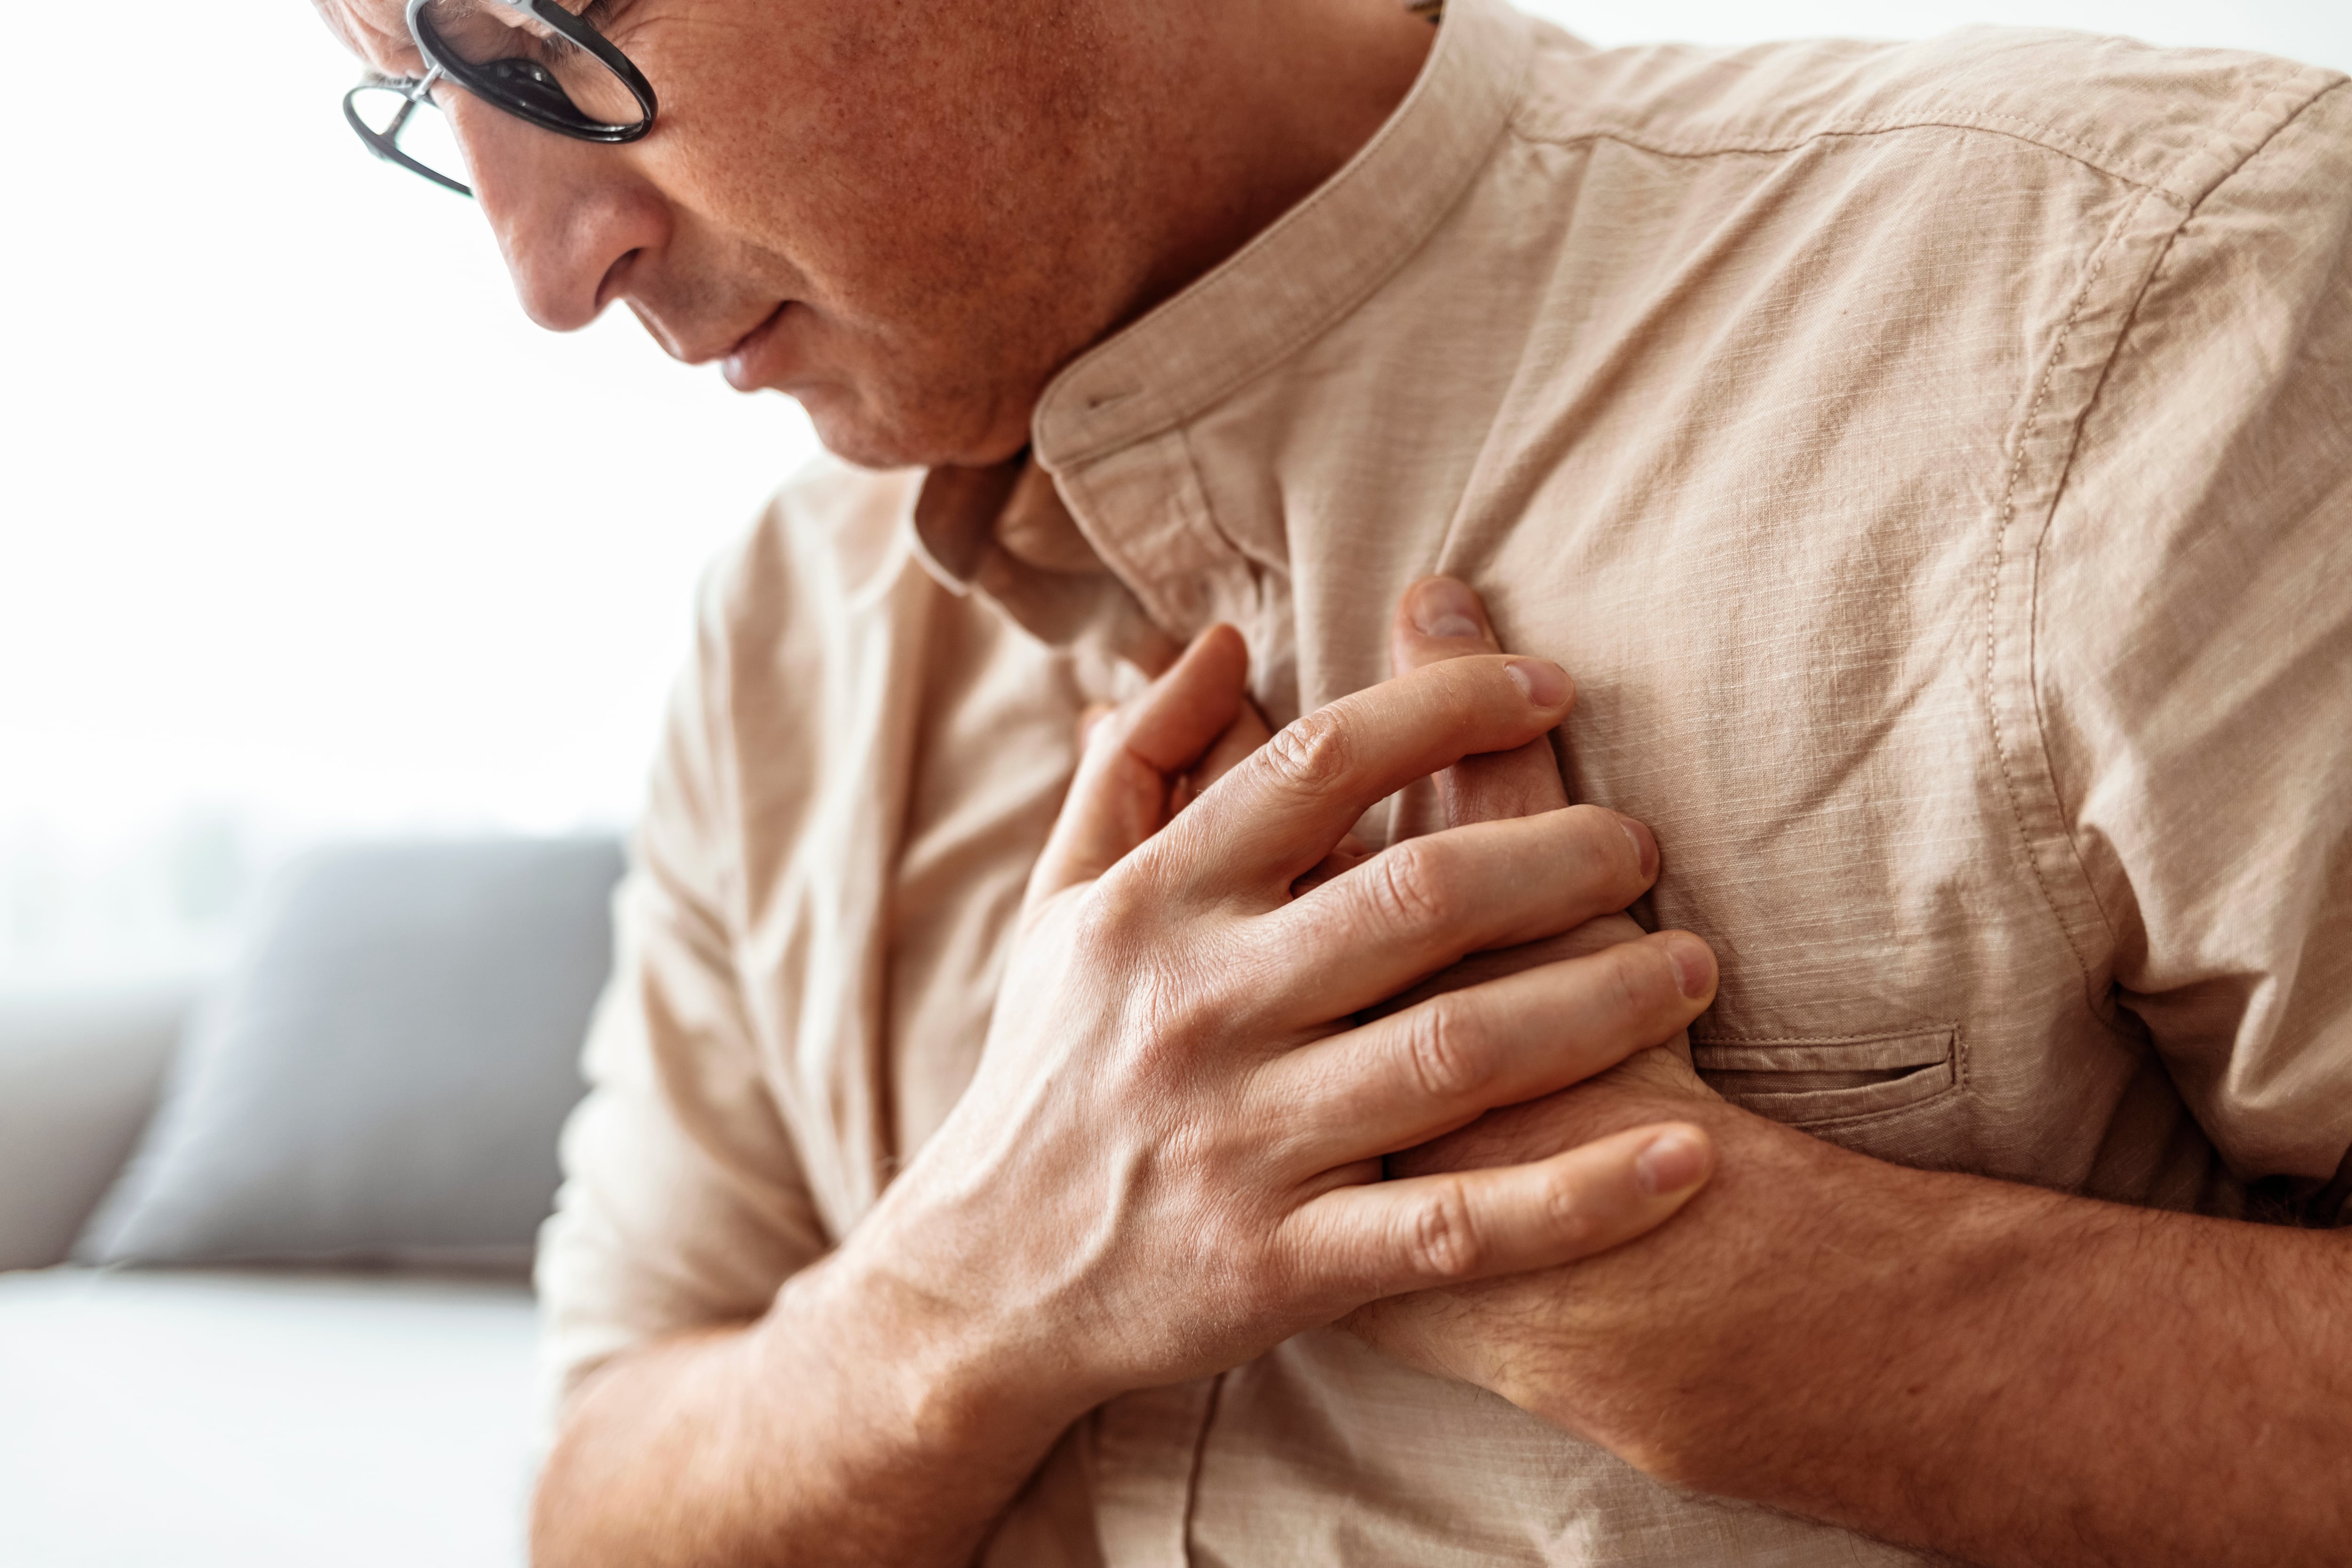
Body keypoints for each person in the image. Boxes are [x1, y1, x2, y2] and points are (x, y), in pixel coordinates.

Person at [313, 0, 2352, 1562]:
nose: (543, 273)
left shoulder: (2166, 299)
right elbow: (602, 1498)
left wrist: (1810, 1325)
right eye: (419, 94)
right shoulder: (785, 622)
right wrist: (973, 1287)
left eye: (554, 30)